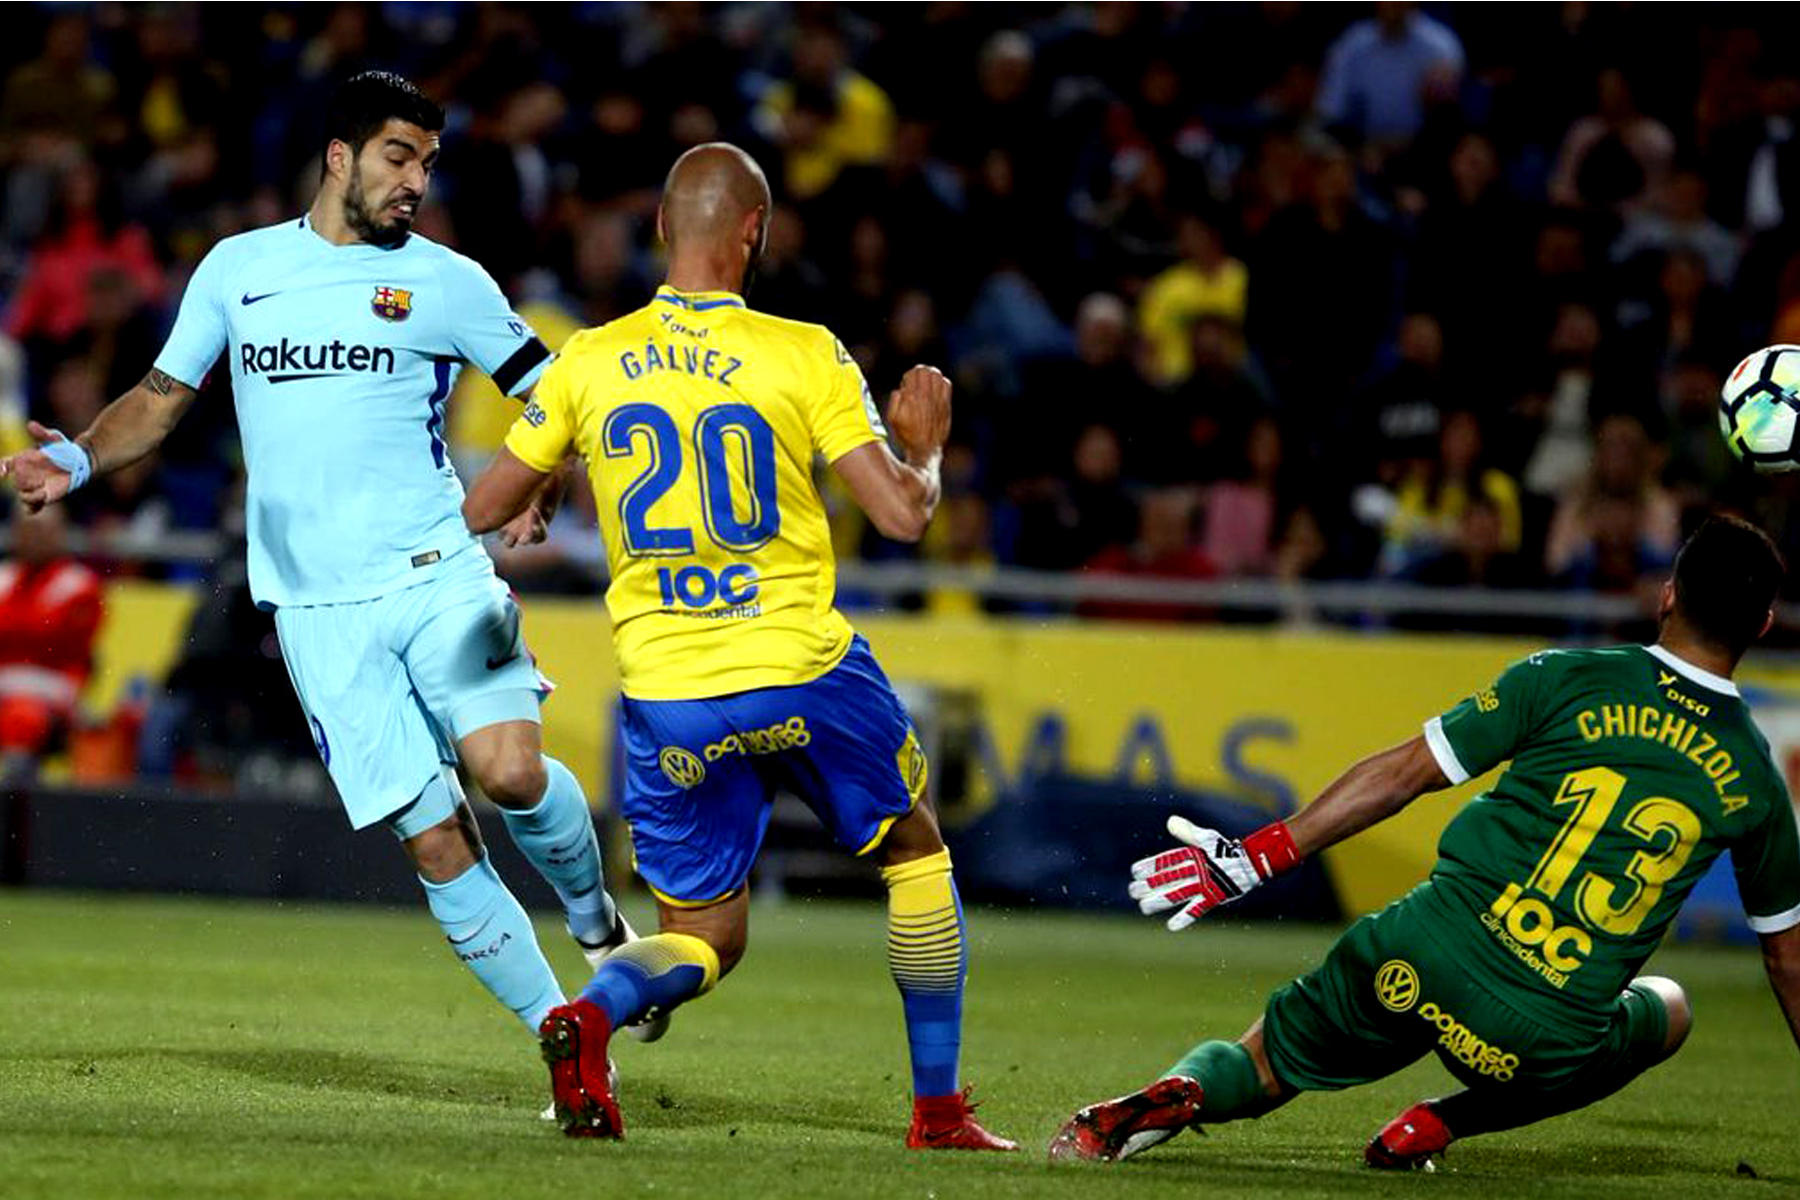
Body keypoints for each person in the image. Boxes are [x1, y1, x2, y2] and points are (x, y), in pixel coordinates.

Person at [0, 72, 650, 1056]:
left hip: (440, 575)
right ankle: (563, 1034)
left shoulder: (447, 281)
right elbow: (161, 396)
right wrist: (79, 456)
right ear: (339, 155)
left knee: (510, 773)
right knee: (436, 842)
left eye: (428, 164)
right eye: (400, 157)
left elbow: (556, 396)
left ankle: (599, 925)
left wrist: (546, 465)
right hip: (314, 610)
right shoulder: (237, 269)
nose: (415, 183)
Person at [463, 142, 1016, 1151]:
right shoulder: (803, 350)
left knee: (703, 934)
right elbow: (899, 516)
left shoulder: (589, 357)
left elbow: (486, 506)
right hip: (801, 666)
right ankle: (938, 1113)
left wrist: (553, 473)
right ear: (754, 233)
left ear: (665, 229)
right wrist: (925, 449)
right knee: (916, 853)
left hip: (668, 691)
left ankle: (587, 1019)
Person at [1049, 514, 1800, 1167]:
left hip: (1424, 947)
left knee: (1271, 1060)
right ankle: (1440, 1120)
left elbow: (1407, 772)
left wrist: (1259, 855)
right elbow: (1787, 961)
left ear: (1667, 593)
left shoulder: (1567, 676)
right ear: (1764, 624)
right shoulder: (1759, 785)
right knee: (1668, 1008)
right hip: (1539, 1034)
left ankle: (1182, 1092)